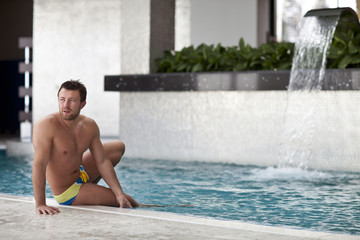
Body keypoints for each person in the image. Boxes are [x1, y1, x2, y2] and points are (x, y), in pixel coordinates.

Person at [32, 80, 138, 215]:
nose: (66, 105)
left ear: (83, 104)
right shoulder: (46, 126)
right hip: (68, 190)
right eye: (62, 99)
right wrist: (40, 203)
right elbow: (39, 165)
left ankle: (91, 189)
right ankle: (89, 191)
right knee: (130, 201)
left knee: (118, 147)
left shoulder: (89, 125)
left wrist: (118, 192)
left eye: (72, 100)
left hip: (80, 173)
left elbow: (102, 161)